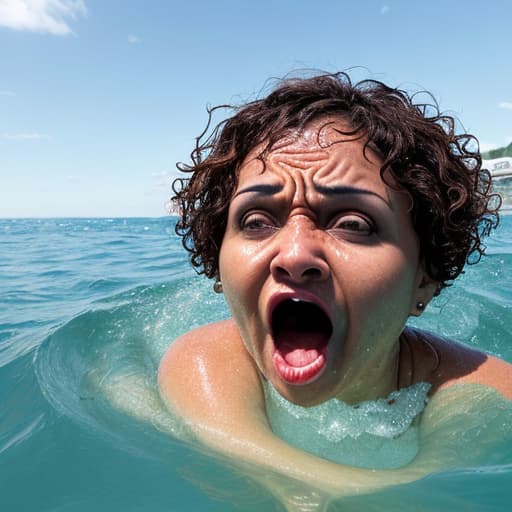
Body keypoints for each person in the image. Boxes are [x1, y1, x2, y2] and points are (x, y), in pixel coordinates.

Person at [158, 72, 512, 500]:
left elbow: (421, 497)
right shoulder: (201, 361)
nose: (293, 255)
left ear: (425, 276)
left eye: (352, 224)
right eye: (256, 221)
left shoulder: (486, 391)